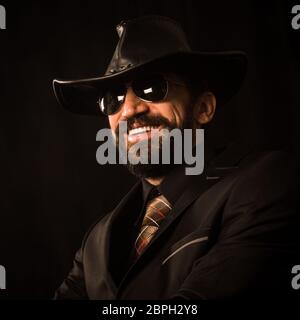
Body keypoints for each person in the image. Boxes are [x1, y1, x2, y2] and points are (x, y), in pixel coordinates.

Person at [52, 15, 300, 299]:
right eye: (113, 99)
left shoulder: (263, 184)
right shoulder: (96, 242)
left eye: (151, 88)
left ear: (203, 108)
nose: (129, 110)